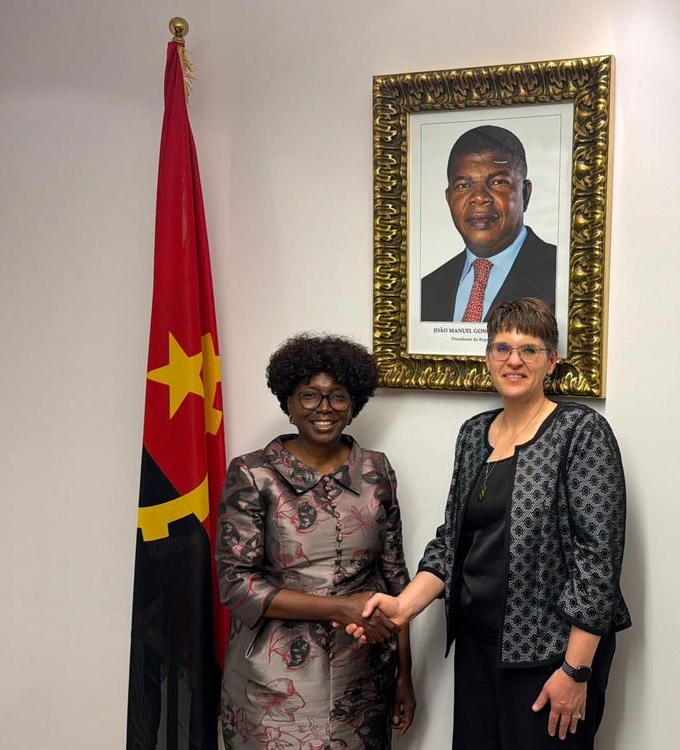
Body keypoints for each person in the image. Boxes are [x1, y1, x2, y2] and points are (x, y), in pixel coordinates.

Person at [351, 299, 630, 749]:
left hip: (549, 654)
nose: (514, 360)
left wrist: (576, 670)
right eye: (502, 348)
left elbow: (598, 561)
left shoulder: (580, 431)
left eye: (529, 349)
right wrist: (402, 608)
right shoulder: (473, 434)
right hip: (477, 647)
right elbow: (451, 541)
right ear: (487, 358)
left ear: (551, 361)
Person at [215, 334, 415, 749]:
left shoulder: (376, 470)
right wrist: (340, 607)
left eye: (338, 396)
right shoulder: (254, 474)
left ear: (353, 404)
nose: (324, 408)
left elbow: (396, 580)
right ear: (288, 403)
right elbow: (237, 585)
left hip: (362, 683)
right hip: (271, 687)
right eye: (309, 395)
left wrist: (404, 675)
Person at [421, 126, 557, 322]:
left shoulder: (564, 274)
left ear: (525, 194)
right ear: (449, 198)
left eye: (498, 182)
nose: (479, 197)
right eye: (463, 185)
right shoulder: (427, 288)